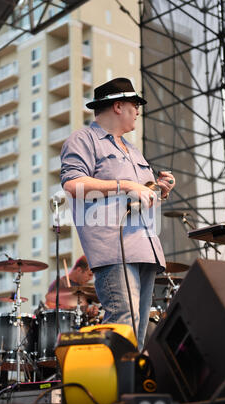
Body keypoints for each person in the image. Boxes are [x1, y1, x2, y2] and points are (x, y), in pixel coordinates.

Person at [60, 78, 175, 351]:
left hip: (145, 249)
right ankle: (116, 392)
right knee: (124, 323)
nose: (138, 110)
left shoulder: (133, 150)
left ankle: (130, 387)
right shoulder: (83, 139)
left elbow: (142, 199)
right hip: (114, 249)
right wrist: (126, 185)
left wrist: (160, 190)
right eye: (135, 104)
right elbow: (72, 184)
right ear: (118, 106)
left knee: (138, 329)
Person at [45, 255, 98, 319]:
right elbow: (48, 306)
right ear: (79, 270)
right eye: (89, 275)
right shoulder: (60, 284)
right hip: (64, 326)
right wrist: (64, 307)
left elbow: (81, 312)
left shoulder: (84, 288)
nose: (91, 279)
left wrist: (89, 312)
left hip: (81, 327)